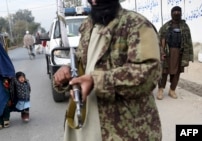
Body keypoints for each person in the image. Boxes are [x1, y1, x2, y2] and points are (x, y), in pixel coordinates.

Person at [53, 0, 162, 140]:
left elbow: (149, 74)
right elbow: (85, 63)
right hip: (85, 125)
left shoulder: (136, 24)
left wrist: (96, 81)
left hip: (124, 131)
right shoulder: (88, 25)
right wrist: (67, 72)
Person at [156, 6, 194, 100]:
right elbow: (159, 40)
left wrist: (189, 56)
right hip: (167, 53)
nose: (176, 13)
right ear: (171, 13)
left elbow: (189, 41)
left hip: (179, 53)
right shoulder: (166, 26)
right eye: (174, 11)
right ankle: (160, 89)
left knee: (177, 72)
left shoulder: (185, 27)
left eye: (178, 11)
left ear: (181, 13)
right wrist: (161, 52)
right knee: (163, 72)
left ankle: (172, 90)